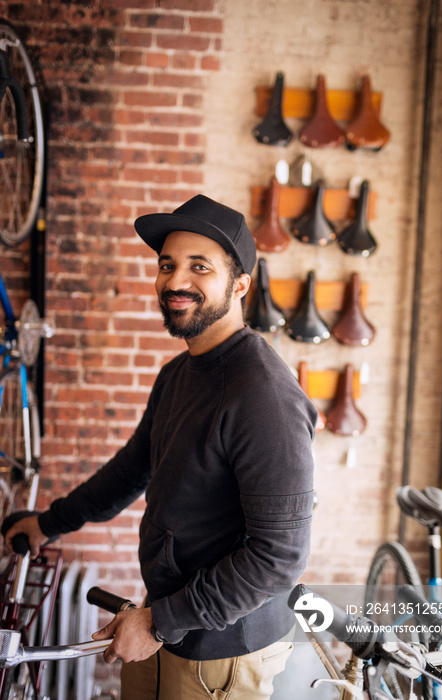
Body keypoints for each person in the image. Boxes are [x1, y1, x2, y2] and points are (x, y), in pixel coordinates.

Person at [5, 195, 317, 700]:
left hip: (223, 650)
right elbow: (131, 471)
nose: (174, 282)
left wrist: (157, 623)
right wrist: (49, 523)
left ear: (239, 285)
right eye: (166, 265)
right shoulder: (180, 374)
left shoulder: (263, 396)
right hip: (169, 619)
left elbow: (280, 556)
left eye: (199, 267)